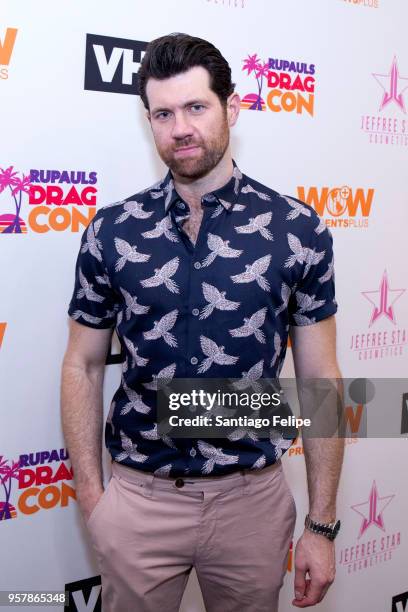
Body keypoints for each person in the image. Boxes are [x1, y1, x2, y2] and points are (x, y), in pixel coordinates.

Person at [61, 33, 344, 612]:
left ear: (231, 108)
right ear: (149, 122)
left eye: (196, 107)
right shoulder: (113, 231)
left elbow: (320, 380)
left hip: (251, 504)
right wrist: (95, 500)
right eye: (163, 114)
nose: (180, 128)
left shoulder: (297, 230)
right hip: (139, 502)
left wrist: (321, 525)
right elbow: (83, 365)